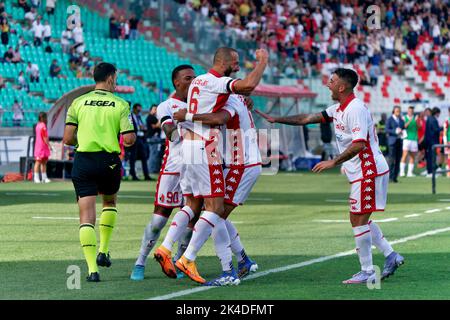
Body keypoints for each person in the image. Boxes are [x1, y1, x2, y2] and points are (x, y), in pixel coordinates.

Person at [256, 68, 404, 284]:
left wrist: (333, 161)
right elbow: (307, 118)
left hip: (368, 169)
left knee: (358, 218)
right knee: (359, 218)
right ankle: (391, 255)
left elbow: (359, 144)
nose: (328, 84)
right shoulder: (338, 109)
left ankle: (368, 270)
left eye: (332, 81)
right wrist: (276, 118)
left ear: (342, 87)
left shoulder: (356, 109)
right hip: (361, 171)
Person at [154, 47, 268, 285]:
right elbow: (226, 110)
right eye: (235, 63)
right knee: (215, 212)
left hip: (197, 149)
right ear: (224, 62)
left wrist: (188, 115)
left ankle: (236, 260)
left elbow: (240, 96)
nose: (237, 68)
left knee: (202, 207)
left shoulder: (202, 84)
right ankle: (199, 261)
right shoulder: (220, 87)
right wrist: (263, 62)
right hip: (230, 158)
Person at [173, 94, 261, 284]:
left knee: (214, 214)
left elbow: (219, 118)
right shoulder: (235, 97)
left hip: (242, 163)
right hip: (239, 162)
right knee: (216, 212)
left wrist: (187, 116)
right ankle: (242, 260)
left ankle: (199, 261)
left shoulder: (228, 101)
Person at [62, 62, 136, 282]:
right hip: (109, 162)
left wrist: (83, 138)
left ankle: (93, 270)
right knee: (109, 203)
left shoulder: (78, 103)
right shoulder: (121, 104)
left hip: (83, 160)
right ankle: (104, 249)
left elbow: (67, 139)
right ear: (111, 78)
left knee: (86, 216)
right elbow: (129, 140)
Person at [130, 65, 199, 281]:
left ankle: (177, 262)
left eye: (195, 78)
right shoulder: (166, 106)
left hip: (197, 169)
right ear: (176, 82)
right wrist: (189, 121)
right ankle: (140, 261)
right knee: (159, 221)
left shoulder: (202, 105)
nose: (193, 82)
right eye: (188, 78)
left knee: (191, 222)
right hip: (173, 171)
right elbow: (170, 133)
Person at [128, 103, 152, 181]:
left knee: (144, 157)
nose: (139, 111)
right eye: (138, 110)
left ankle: (146, 175)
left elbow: (141, 126)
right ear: (134, 109)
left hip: (141, 138)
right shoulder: (130, 116)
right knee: (133, 157)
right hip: (134, 138)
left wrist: (143, 127)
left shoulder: (138, 117)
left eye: (140, 110)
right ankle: (133, 175)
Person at [386, 106, 404, 183]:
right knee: (391, 160)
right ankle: (390, 177)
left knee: (398, 160)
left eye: (399, 111)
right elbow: (386, 129)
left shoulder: (401, 120)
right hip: (392, 142)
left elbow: (403, 128)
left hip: (399, 141)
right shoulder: (389, 119)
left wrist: (402, 131)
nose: (398, 112)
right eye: (397, 111)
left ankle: (395, 177)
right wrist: (395, 131)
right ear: (394, 111)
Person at [400, 106, 420, 177]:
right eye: (409, 111)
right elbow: (404, 126)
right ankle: (402, 172)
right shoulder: (404, 118)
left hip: (414, 138)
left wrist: (417, 121)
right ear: (407, 111)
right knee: (404, 155)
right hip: (407, 138)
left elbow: (418, 127)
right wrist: (410, 120)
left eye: (412, 111)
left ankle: (409, 172)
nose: (410, 112)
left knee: (412, 156)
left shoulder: (416, 118)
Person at [33, 112, 51, 183]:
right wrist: (49, 145)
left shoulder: (38, 125)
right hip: (41, 147)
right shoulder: (43, 126)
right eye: (45, 117)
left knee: (43, 162)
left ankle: (44, 178)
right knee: (38, 162)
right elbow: (45, 137)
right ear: (43, 118)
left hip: (41, 146)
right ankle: (36, 177)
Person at [424, 107, 441, 177]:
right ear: (437, 113)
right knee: (431, 157)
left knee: (429, 157)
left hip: (429, 141)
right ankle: (430, 172)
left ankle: (429, 171)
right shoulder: (433, 120)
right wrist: (443, 127)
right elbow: (435, 130)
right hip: (432, 141)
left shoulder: (430, 118)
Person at [145, 104, 162, 173]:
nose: (156, 111)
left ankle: (153, 169)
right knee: (153, 154)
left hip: (154, 137)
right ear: (150, 110)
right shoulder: (151, 117)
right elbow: (157, 126)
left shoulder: (153, 117)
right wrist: (161, 119)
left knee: (155, 154)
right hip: (153, 137)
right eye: (154, 109)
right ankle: (152, 169)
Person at [444, 107, 450, 178]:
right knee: (449, 157)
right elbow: (445, 132)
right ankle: (448, 174)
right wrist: (445, 142)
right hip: (449, 142)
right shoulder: (447, 121)